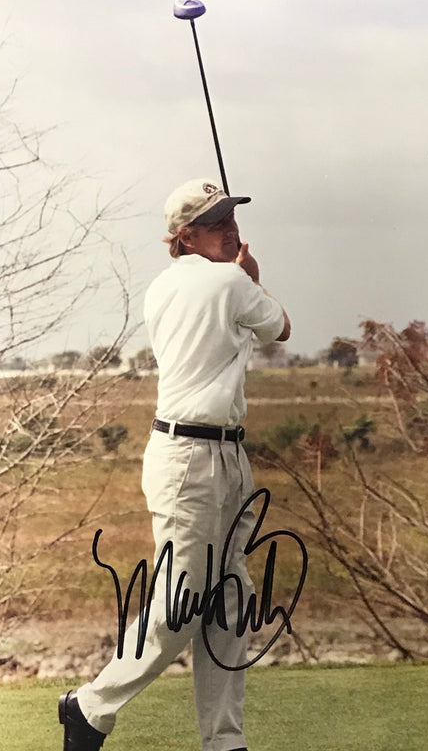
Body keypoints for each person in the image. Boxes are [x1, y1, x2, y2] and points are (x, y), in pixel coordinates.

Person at [58, 178, 291, 751]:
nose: (230, 228)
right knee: (182, 603)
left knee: (229, 596)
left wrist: (242, 279)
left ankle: (225, 739)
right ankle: (90, 705)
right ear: (185, 236)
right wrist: (252, 276)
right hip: (193, 457)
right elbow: (281, 328)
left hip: (218, 451)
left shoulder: (165, 285)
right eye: (216, 223)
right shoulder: (230, 279)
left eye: (232, 217)